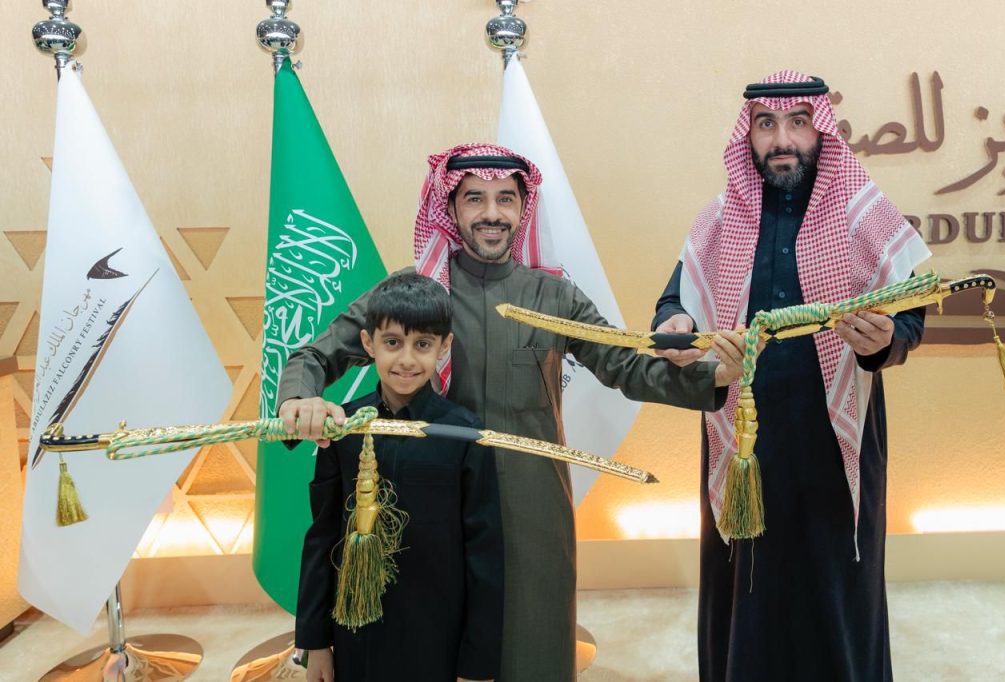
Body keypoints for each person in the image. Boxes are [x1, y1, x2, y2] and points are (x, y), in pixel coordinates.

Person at [280, 143, 745, 681]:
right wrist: (300, 398)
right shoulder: (418, 294)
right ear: (449, 208)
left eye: (505, 198)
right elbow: (314, 355)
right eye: (474, 198)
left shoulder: (555, 298)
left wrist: (713, 375)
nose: (492, 213)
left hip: (531, 507)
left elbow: (626, 366)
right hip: (430, 510)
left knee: (533, 649)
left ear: (524, 208)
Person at [653, 71, 932, 682]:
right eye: (767, 124)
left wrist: (887, 340)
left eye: (798, 123)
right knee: (745, 584)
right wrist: (676, 323)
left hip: (834, 439)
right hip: (742, 439)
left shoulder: (862, 214)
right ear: (748, 135)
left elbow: (912, 312)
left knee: (835, 582)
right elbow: (674, 304)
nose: (783, 139)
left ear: (820, 131)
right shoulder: (718, 220)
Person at [295, 273, 504, 682]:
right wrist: (314, 641)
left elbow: (485, 553)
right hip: (358, 639)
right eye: (393, 342)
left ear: (444, 346)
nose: (407, 359)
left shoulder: (465, 434)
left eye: (422, 344)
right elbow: (322, 536)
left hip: (437, 638)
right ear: (368, 343)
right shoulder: (344, 428)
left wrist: (477, 664)